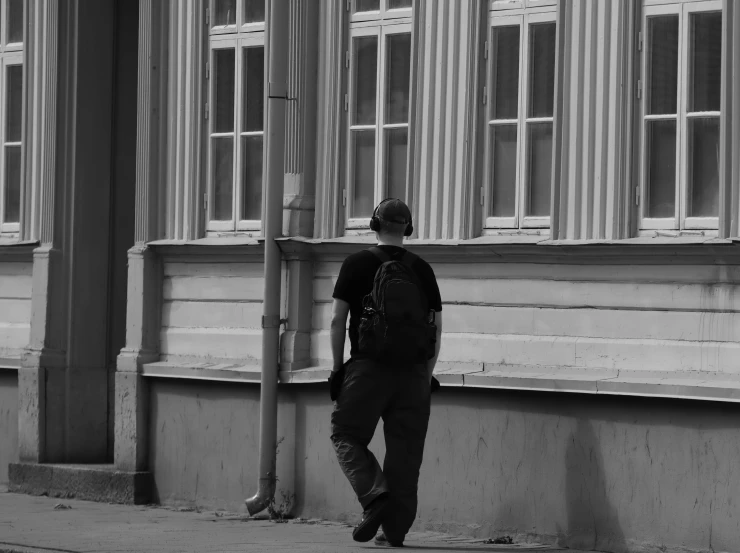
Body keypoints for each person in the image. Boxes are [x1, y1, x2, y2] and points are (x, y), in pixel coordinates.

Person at [329, 198, 443, 548]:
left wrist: (336, 369)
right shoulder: (422, 269)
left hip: (367, 370)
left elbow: (337, 320)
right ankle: (394, 532)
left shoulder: (356, 263)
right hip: (412, 374)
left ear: (374, 225)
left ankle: (374, 495)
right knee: (406, 454)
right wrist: (426, 374)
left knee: (346, 433)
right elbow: (436, 328)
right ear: (407, 229)